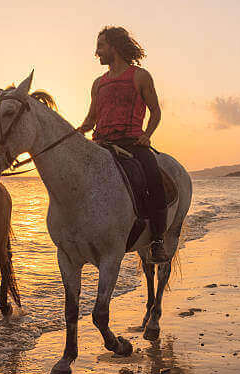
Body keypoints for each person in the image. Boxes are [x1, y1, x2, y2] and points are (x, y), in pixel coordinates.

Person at [77, 26, 169, 263]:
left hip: (132, 143)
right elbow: (91, 120)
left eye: (101, 46)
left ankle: (157, 240)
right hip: (101, 143)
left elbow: (156, 112)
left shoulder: (140, 76)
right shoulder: (98, 83)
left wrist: (147, 134)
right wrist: (73, 133)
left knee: (154, 179)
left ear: (114, 47)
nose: (97, 52)